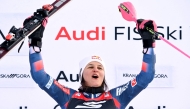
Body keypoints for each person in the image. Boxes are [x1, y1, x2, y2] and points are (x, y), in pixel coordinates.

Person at [25, 8, 156, 109]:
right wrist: (35, 42)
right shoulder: (68, 97)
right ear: (82, 74)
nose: (96, 70)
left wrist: (148, 43)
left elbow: (146, 77)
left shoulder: (117, 96)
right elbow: (39, 75)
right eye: (90, 66)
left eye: (100, 68)